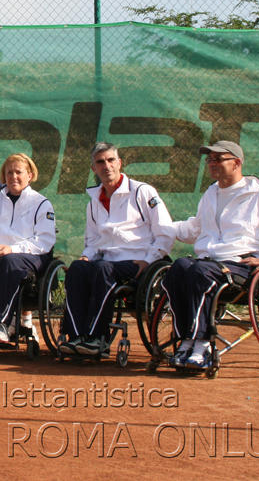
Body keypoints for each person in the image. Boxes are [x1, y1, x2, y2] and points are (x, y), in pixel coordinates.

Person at [163, 141, 259, 369]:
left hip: (243, 265)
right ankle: (186, 340)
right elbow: (195, 229)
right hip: (208, 263)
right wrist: (159, 227)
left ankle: (202, 344)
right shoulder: (211, 193)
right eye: (209, 160)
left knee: (200, 271)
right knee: (179, 267)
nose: (211, 164)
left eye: (218, 159)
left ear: (237, 163)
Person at [59, 142, 174, 356]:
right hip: (106, 262)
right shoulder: (93, 202)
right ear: (94, 168)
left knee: (103, 269)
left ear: (119, 163)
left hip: (139, 262)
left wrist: (148, 261)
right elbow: (93, 241)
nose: (106, 166)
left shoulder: (142, 192)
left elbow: (165, 233)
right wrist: (85, 257)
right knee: (76, 268)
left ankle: (97, 339)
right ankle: (76, 337)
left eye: (111, 160)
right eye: (100, 162)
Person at [0, 154, 56, 344]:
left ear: (29, 175)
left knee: (10, 261)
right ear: (3, 176)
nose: (13, 177)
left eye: (18, 172)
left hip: (30, 257)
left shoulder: (42, 203)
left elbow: (45, 241)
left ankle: (2, 323)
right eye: (9, 173)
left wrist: (13, 249)